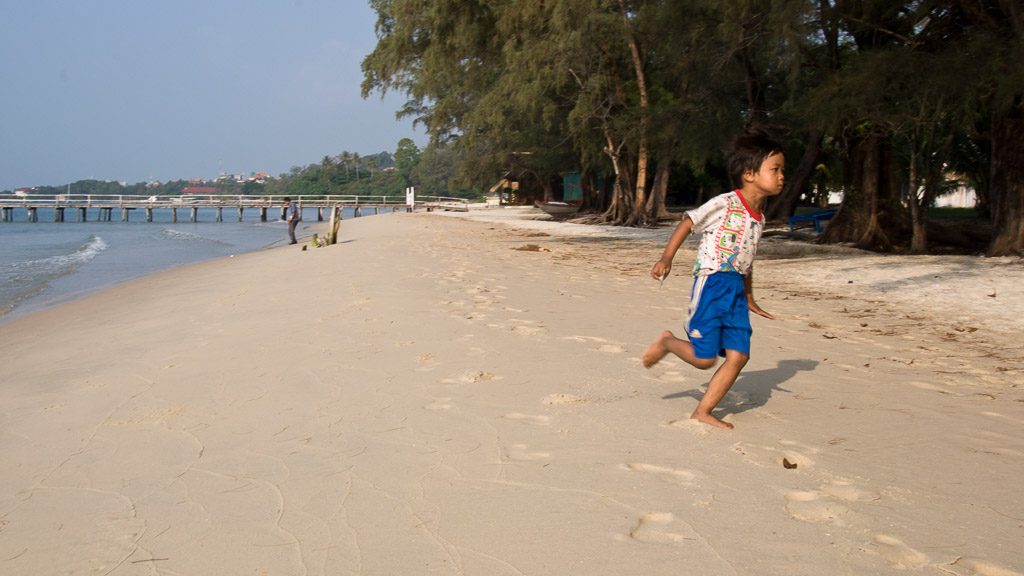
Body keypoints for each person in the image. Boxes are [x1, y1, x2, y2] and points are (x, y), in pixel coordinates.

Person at [642, 130, 784, 429]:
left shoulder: (759, 217)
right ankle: (667, 342)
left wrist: (749, 296)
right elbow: (688, 223)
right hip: (712, 284)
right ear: (749, 174)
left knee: (739, 355)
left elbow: (747, 259)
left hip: (735, 290)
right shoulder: (725, 203)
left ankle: (703, 411)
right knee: (704, 359)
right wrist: (666, 258)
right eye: (775, 169)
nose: (782, 176)